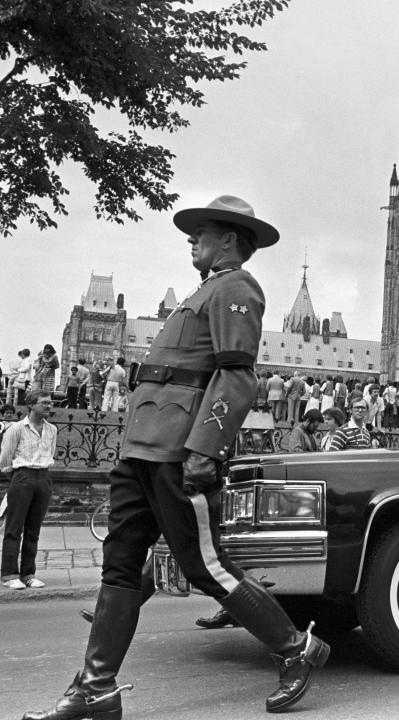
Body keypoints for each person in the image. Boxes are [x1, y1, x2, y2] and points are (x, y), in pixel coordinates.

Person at [23, 196, 330, 720]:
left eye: (202, 232)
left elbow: (236, 375)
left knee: (204, 564)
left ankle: (295, 647)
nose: (192, 239)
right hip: (141, 450)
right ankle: (96, 688)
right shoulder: (203, 291)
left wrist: (203, 450)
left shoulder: (236, 288)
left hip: (177, 451)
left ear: (229, 239)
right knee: (119, 566)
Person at [0, 390, 56, 590]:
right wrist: (18, 478)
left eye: (50, 403)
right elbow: (5, 460)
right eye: (44, 403)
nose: (49, 406)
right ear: (31, 405)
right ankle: (9, 574)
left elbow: (51, 453)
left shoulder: (52, 430)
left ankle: (29, 573)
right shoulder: (16, 429)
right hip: (23, 476)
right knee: (14, 528)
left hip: (44, 477)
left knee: (34, 530)